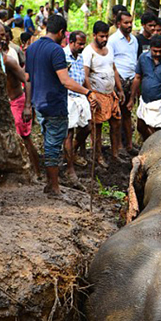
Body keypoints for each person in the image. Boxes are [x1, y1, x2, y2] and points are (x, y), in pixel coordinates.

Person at [25, 14, 95, 196]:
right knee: (53, 146)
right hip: (55, 104)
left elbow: (28, 79)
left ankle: (50, 183)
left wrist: (28, 104)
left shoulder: (31, 49)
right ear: (62, 32)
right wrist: (88, 92)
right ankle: (54, 187)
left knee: (49, 142)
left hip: (39, 103)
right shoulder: (56, 50)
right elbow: (65, 81)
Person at [0, 23, 41, 180]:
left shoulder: (8, 60)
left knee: (24, 138)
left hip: (17, 101)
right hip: (3, 105)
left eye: (4, 35)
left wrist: (28, 106)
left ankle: (36, 173)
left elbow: (27, 80)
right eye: (0, 35)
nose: (4, 38)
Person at [83, 20, 124, 168]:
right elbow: (85, 76)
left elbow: (114, 69)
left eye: (106, 36)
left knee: (116, 123)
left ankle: (114, 154)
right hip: (97, 93)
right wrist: (91, 94)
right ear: (94, 35)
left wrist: (119, 89)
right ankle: (98, 155)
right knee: (97, 127)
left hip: (110, 93)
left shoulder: (109, 49)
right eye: (101, 36)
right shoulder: (88, 52)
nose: (104, 39)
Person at [107, 10, 138, 155]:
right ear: (119, 24)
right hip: (118, 81)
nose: (129, 25)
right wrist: (117, 85)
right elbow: (110, 63)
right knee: (117, 115)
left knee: (128, 113)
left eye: (131, 22)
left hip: (132, 81)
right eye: (126, 22)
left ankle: (130, 145)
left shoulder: (134, 40)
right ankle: (118, 146)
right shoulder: (113, 40)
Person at [63, 30, 91, 181]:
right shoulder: (62, 55)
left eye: (83, 44)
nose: (82, 47)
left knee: (87, 127)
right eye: (80, 44)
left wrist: (90, 92)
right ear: (71, 42)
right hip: (67, 96)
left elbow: (82, 77)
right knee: (69, 132)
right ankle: (69, 168)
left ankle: (71, 153)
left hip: (80, 96)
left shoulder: (80, 57)